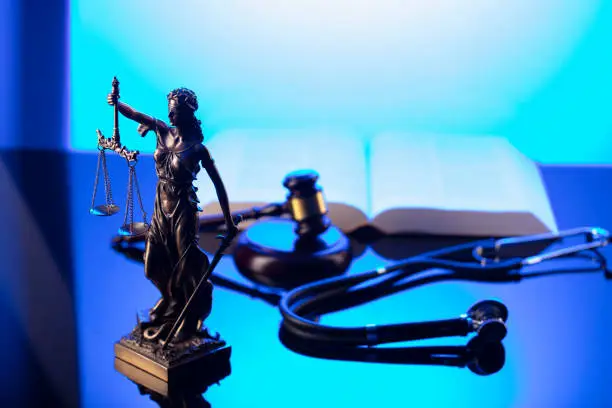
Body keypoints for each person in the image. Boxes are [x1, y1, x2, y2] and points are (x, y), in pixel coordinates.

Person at [107, 87, 237, 343]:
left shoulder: (198, 149)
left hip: (182, 209)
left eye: (175, 110)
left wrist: (229, 221)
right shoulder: (162, 131)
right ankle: (172, 302)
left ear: (188, 113)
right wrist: (116, 103)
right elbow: (134, 114)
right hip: (160, 208)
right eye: (169, 108)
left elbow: (219, 184)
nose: (170, 113)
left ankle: (187, 315)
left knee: (183, 266)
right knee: (152, 265)